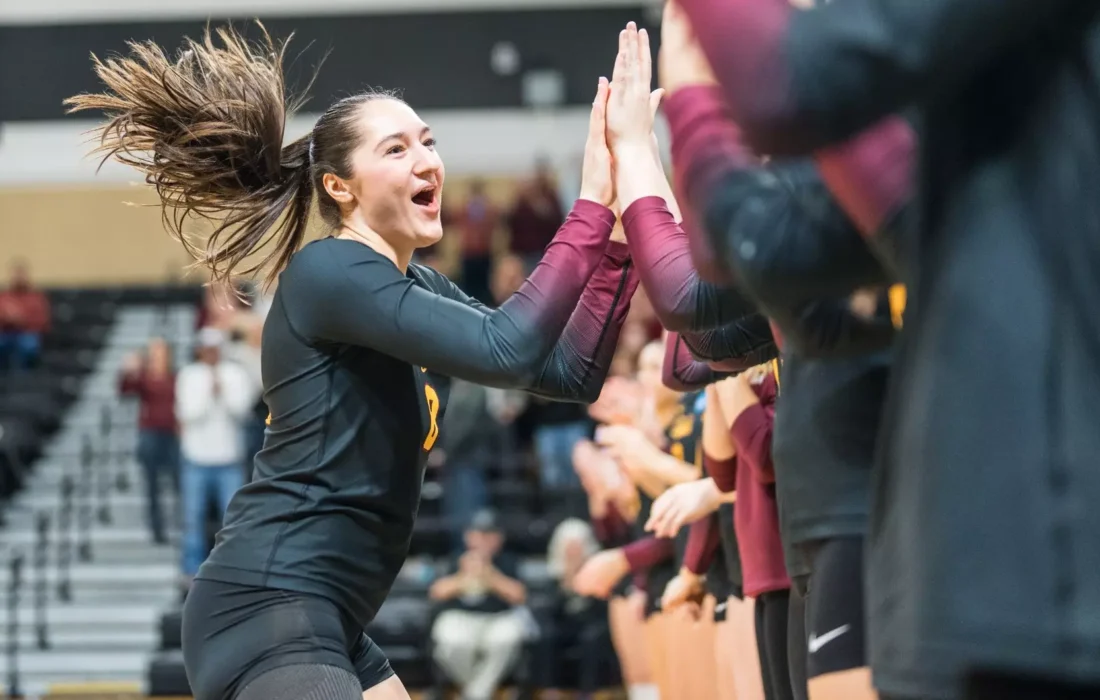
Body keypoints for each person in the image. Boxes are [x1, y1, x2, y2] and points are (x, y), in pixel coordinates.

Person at [67, 23, 641, 700]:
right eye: (396, 148)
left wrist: (619, 237)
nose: (426, 160)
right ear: (340, 187)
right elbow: (509, 346)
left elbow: (569, 373)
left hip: (329, 617)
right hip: (265, 606)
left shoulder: (418, 286)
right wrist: (588, 205)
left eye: (428, 141)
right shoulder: (329, 271)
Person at [175, 328, 255, 585]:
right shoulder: (188, 375)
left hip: (228, 458)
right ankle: (192, 571)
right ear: (199, 350)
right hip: (196, 458)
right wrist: (210, 393)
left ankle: (232, 569)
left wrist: (222, 391)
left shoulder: (235, 374)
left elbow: (241, 411)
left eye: (215, 348)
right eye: (206, 348)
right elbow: (188, 413)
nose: (211, 353)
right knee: (193, 519)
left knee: (232, 520)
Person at [429, 510, 529, 700]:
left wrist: (490, 574)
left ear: (499, 538)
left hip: (498, 618)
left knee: (507, 638)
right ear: (468, 536)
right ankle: (479, 693)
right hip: (460, 617)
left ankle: (473, 694)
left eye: (490, 534)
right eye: (479, 534)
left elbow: (519, 595)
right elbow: (436, 592)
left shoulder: (507, 560)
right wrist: (463, 576)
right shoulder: (456, 558)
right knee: (451, 641)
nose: (484, 540)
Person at [119, 337, 179, 545]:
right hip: (151, 433)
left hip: (173, 434)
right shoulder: (143, 378)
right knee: (152, 484)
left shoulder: (175, 377)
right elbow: (125, 389)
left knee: (178, 482)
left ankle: (181, 525)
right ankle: (157, 528)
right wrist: (128, 370)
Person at [0, 261, 50, 371]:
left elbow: (43, 322)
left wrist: (22, 320)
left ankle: (24, 376)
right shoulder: (3, 297)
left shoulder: (36, 298)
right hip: (6, 333)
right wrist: (7, 318)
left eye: (21, 275)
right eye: (16, 275)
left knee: (29, 345)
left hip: (27, 334)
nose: (19, 278)